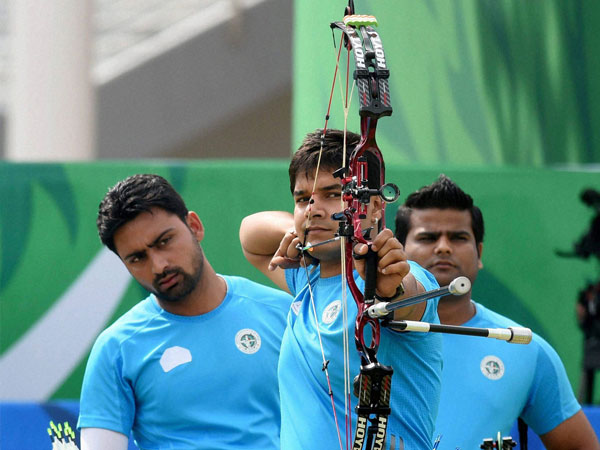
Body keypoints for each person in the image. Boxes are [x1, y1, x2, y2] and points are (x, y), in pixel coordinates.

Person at [239, 129, 443, 450]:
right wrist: (299, 233)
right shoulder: (306, 279)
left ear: (375, 207)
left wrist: (386, 289)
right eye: (303, 199)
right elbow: (249, 234)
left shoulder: (400, 274)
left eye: (334, 194)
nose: (313, 209)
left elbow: (408, 297)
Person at [78, 174, 292, 450]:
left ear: (194, 226)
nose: (159, 266)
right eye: (137, 258)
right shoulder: (116, 348)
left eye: (164, 241)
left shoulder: (283, 313)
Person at [395, 174, 599, 450]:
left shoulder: (523, 347)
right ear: (399, 253)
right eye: (428, 237)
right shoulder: (365, 335)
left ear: (479, 253)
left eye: (458, 237)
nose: (443, 247)